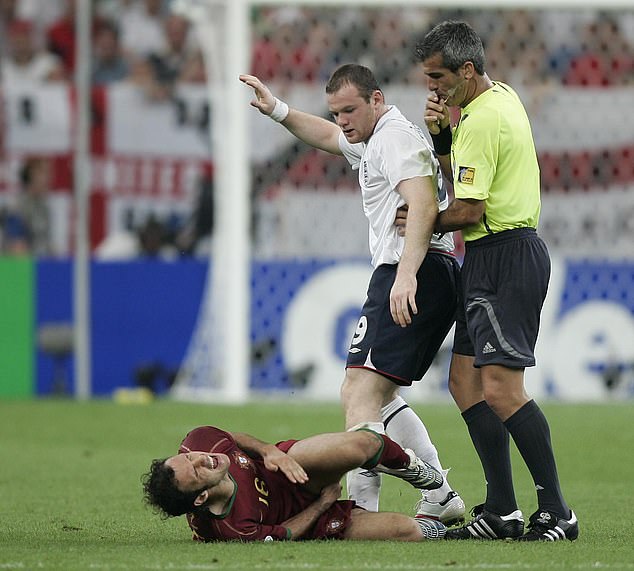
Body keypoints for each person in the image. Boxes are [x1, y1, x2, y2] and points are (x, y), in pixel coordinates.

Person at [239, 65, 465, 525]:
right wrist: (278, 110)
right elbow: (326, 136)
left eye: (349, 110)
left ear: (376, 99)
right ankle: (439, 494)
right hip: (422, 269)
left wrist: (405, 275)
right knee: (373, 393)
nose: (341, 120)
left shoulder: (393, 138)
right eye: (336, 111)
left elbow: (422, 201)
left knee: (358, 392)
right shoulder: (375, 136)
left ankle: (363, 511)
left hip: (411, 269)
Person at [408, 20, 577, 541]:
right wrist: (441, 137)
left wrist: (421, 217)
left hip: (504, 255)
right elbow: (465, 176)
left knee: (502, 390)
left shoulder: (481, 121)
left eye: (438, 77)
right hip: (487, 257)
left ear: (466, 69)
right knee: (464, 382)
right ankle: (502, 509)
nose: (431, 88)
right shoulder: (498, 97)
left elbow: (469, 208)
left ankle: (557, 511)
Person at [142, 424, 447, 541]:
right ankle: (450, 531)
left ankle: (410, 466)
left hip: (289, 467)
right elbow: (284, 533)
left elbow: (232, 438)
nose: (202, 459)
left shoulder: (200, 440)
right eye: (196, 471)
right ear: (200, 499)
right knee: (407, 531)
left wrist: (268, 451)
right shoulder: (233, 528)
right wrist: (321, 506)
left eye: (190, 456)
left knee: (360, 446)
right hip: (311, 516)